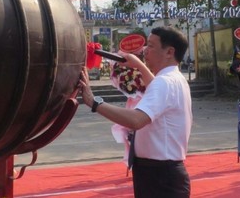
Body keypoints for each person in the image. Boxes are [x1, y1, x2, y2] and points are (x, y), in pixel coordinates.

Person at [79, 26, 192, 198]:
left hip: (160, 176)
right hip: (160, 173)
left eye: (151, 46)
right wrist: (138, 65)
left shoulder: (165, 82)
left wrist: (94, 102)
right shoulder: (174, 79)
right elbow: (155, 87)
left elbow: (137, 120)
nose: (145, 50)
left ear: (169, 52)